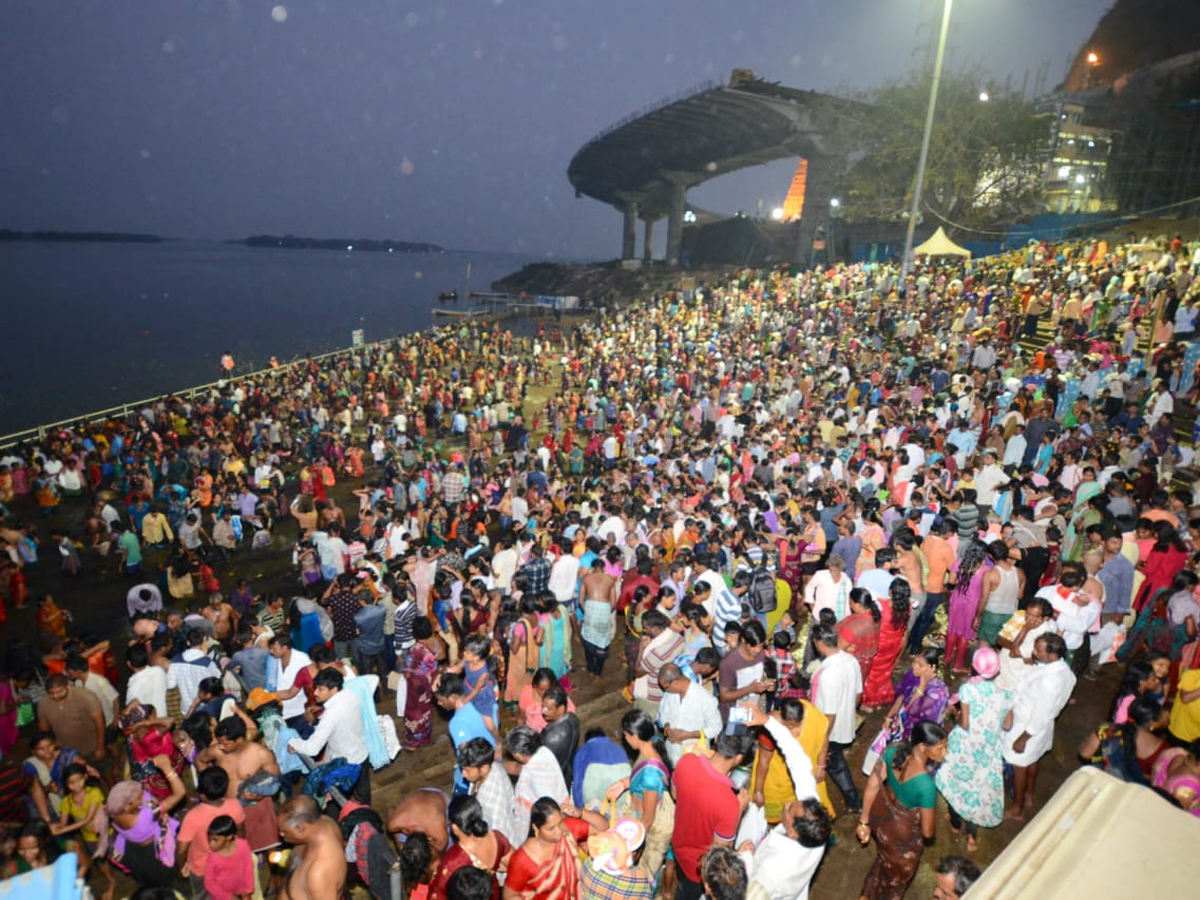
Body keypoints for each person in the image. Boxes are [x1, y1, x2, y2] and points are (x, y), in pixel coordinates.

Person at [739, 707, 831, 900]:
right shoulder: (814, 829)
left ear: (793, 832)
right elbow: (797, 759)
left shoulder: (771, 873)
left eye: (789, 810)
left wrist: (746, 862)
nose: (788, 803)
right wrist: (766, 721)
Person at [856, 720, 949, 900]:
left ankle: (866, 896)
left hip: (880, 821)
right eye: (941, 748)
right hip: (901, 837)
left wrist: (863, 822)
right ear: (923, 747)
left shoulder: (892, 750)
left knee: (883, 858)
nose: (945, 753)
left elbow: (872, 786)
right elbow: (928, 832)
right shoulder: (926, 786)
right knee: (896, 882)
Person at [935, 646, 1009, 852]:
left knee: (954, 782)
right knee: (978, 787)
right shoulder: (1005, 694)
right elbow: (1007, 724)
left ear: (973, 668)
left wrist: (954, 713)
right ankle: (972, 837)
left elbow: (965, 723)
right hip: (989, 748)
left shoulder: (968, 690)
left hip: (966, 745)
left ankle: (956, 823)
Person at [1002, 633, 1076, 821]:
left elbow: (1041, 712)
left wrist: (1023, 738)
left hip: (1028, 727)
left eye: (1038, 649)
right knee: (1033, 760)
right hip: (1040, 726)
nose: (1034, 651)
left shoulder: (1050, 681)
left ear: (1052, 655)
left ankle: (1017, 809)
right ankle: (1029, 794)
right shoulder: (1064, 670)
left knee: (1019, 765)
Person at [669, 731, 750, 900]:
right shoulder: (730, 803)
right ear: (739, 758)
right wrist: (739, 811)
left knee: (682, 886)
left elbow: (675, 794)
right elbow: (721, 852)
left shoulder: (687, 761)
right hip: (699, 869)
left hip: (678, 847)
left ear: (718, 740)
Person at [602, 709, 673, 878]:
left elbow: (648, 818)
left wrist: (633, 847)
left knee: (642, 875)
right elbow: (640, 774)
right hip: (641, 814)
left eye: (626, 735)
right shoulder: (651, 745)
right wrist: (624, 784)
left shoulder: (650, 776)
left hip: (650, 826)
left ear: (634, 736)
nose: (625, 739)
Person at [286, 667, 371, 803]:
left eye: (320, 689)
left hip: (345, 764)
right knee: (363, 797)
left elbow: (312, 748)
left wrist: (293, 742)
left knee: (337, 801)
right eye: (316, 688)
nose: (315, 693)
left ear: (334, 690)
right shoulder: (350, 694)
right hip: (362, 754)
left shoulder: (331, 715)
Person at [811, 623, 863, 814]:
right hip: (846, 724)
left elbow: (829, 717)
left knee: (836, 766)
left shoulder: (828, 676)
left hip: (831, 732)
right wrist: (848, 711)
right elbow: (858, 694)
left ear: (819, 643)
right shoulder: (851, 660)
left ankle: (854, 801)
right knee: (838, 760)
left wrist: (822, 753)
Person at [178, 766, 247, 898]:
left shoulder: (192, 816)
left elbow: (181, 850)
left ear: (202, 794)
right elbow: (241, 830)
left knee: (203, 895)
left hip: (202, 868)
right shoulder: (235, 805)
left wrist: (183, 865)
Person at [503, 796, 586, 900]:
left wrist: (582, 813)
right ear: (536, 828)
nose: (558, 831)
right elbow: (509, 896)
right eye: (551, 828)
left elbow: (603, 827)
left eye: (560, 823)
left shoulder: (566, 832)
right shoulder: (522, 859)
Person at [276, 794, 348, 900]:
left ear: (301, 829)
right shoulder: (322, 822)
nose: (281, 834)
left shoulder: (319, 872)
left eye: (284, 831)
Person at [506, 726, 570, 843]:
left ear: (517, 755)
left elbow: (549, 807)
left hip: (546, 824)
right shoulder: (543, 751)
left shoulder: (534, 773)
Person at [879, 649, 950, 745]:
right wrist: (889, 718)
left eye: (920, 665)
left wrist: (922, 685)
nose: (914, 666)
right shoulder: (913, 675)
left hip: (920, 733)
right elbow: (902, 697)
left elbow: (913, 710)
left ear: (932, 668)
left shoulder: (938, 692)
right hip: (904, 723)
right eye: (914, 661)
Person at [656, 663, 723, 765]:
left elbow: (716, 728)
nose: (665, 690)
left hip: (694, 756)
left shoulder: (705, 698)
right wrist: (667, 728)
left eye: (666, 687)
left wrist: (688, 735)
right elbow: (663, 715)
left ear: (676, 682)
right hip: (672, 752)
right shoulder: (670, 694)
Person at [863, 578, 912, 710]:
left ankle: (868, 703)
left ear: (890, 592)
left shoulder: (881, 606)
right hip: (894, 645)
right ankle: (880, 698)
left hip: (879, 645)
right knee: (885, 671)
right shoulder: (908, 607)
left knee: (872, 673)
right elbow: (905, 632)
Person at [36, 673, 106, 765]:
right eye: (51, 693)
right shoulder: (43, 704)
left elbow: (99, 721)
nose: (56, 696)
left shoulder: (86, 697)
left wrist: (100, 746)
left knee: (102, 771)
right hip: (67, 751)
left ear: (68, 686)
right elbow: (44, 728)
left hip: (91, 746)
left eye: (59, 692)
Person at [459, 737, 517, 843]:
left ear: (484, 769)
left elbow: (499, 836)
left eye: (467, 770)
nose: (463, 774)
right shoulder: (492, 766)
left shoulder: (490, 800)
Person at [203, 814, 255, 900]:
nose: (211, 844)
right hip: (222, 896)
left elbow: (248, 866)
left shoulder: (243, 845)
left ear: (229, 837)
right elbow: (209, 883)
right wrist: (228, 896)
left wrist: (249, 888)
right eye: (209, 839)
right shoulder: (213, 857)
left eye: (215, 840)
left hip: (242, 892)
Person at [540, 683, 581, 783]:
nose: (543, 711)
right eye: (543, 706)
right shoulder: (573, 718)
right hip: (568, 767)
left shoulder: (552, 738)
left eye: (548, 708)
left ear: (561, 709)